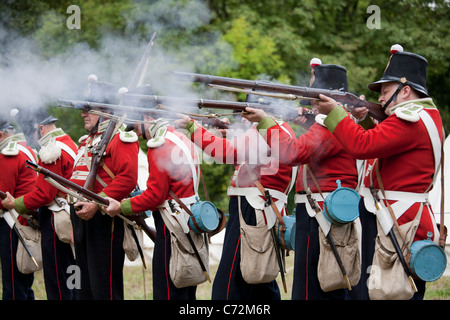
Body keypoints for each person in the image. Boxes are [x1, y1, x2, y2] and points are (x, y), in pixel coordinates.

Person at [313, 45, 443, 300]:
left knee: (392, 291)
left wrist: (337, 113)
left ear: (405, 91)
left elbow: (363, 146)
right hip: (394, 215)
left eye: (385, 92)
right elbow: (379, 140)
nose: (381, 99)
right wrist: (360, 117)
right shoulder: (423, 115)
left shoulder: (410, 119)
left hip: (397, 218)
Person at [242, 59, 361, 300]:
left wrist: (265, 121)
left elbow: (293, 153)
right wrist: (308, 119)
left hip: (322, 212)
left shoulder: (331, 126)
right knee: (322, 283)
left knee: (313, 288)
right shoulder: (336, 123)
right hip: (321, 210)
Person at [175, 90, 297, 300]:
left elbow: (225, 151)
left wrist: (191, 126)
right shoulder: (280, 129)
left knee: (229, 280)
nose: (243, 118)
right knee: (259, 277)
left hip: (252, 209)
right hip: (262, 207)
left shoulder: (265, 130)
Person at [103, 85, 207, 300]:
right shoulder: (180, 137)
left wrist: (119, 206)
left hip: (172, 224)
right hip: (190, 217)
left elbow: (155, 196)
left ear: (146, 116)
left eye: (137, 124)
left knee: (167, 291)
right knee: (186, 288)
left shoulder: (159, 145)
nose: (137, 132)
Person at [69, 77, 139, 300]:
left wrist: (96, 203)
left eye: (89, 109)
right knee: (83, 286)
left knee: (104, 288)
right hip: (81, 219)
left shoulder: (121, 138)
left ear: (106, 111)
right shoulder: (85, 141)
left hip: (103, 217)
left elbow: (127, 178)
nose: (83, 114)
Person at [2, 108, 78, 300]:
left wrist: (15, 203)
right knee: (73, 275)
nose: (30, 140)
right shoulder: (67, 142)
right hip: (69, 218)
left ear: (40, 128)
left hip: (56, 220)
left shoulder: (51, 149)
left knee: (57, 282)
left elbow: (44, 194)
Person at [0, 118, 38, 300]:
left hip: (12, 223)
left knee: (13, 286)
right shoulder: (24, 148)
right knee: (22, 283)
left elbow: (3, 197)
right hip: (22, 220)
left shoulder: (8, 153)